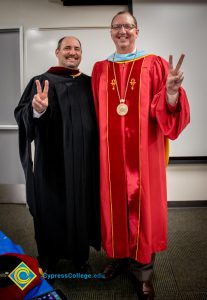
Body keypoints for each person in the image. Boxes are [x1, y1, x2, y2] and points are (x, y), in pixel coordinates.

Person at [91, 11, 190, 299]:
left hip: (144, 155)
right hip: (110, 158)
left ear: (137, 31)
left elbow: (166, 108)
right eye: (116, 27)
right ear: (111, 32)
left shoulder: (155, 64)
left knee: (143, 209)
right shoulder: (100, 69)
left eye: (128, 26)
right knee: (113, 206)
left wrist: (172, 92)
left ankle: (143, 271)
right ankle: (119, 258)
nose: (122, 31)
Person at [14, 36, 100, 274]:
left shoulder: (90, 84)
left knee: (81, 209)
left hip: (83, 165)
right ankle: (49, 259)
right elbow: (22, 114)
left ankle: (80, 258)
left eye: (77, 48)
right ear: (57, 52)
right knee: (50, 210)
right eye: (67, 48)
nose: (72, 52)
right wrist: (36, 109)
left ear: (81, 53)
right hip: (52, 166)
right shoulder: (41, 81)